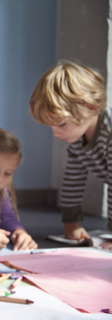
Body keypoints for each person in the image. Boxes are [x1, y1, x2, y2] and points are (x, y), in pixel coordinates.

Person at [29, 60, 112, 250]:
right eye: (51, 127)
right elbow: (73, 181)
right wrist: (71, 224)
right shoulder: (77, 141)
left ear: (90, 106)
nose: (55, 134)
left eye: (61, 125)